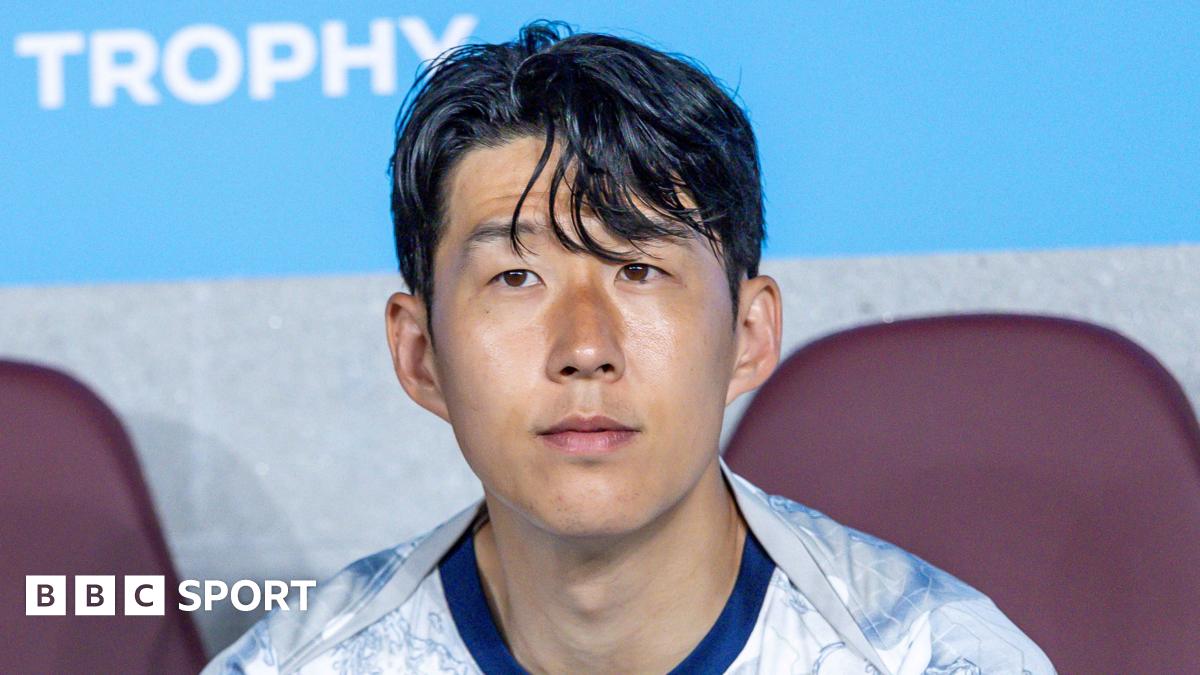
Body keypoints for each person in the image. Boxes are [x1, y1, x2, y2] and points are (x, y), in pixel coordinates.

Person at [205, 21, 1054, 674]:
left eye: (640, 269)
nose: (585, 348)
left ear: (750, 335)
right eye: (516, 277)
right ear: (420, 353)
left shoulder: (934, 657)